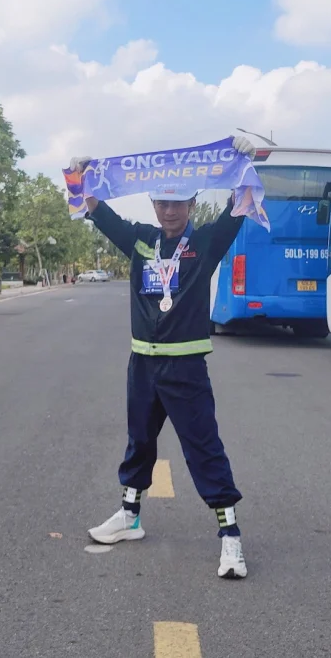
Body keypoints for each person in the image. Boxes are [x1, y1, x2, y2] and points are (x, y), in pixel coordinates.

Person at [69, 135, 256, 579]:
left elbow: (240, 204)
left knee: (204, 450)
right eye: (161, 203)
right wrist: (81, 176)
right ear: (152, 204)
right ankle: (130, 517)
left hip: (185, 366)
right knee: (140, 442)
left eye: (178, 203)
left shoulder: (206, 243)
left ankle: (230, 538)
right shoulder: (140, 241)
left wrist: (244, 162)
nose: (169, 211)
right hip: (143, 365)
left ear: (191, 203)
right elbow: (98, 212)